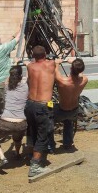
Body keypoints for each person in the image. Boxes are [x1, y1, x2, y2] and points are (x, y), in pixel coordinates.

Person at [0, 64, 28, 170]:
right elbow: (28, 76)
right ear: (20, 76)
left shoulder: (6, 87)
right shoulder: (25, 86)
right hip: (21, 123)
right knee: (17, 138)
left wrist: (13, 67)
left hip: (6, 122)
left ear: (10, 76)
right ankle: (18, 153)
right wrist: (26, 66)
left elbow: (7, 80)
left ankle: (2, 158)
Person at [24, 45, 56, 178]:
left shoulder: (30, 66)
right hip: (43, 107)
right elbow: (55, 61)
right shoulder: (51, 65)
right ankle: (35, 166)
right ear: (46, 54)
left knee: (32, 131)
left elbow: (31, 64)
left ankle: (31, 154)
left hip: (30, 104)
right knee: (43, 134)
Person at [51, 57, 89, 151]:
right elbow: (80, 73)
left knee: (48, 120)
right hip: (74, 110)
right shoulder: (84, 80)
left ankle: (50, 145)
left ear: (71, 69)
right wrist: (75, 63)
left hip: (61, 110)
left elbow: (55, 71)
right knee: (68, 121)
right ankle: (67, 144)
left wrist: (57, 63)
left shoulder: (63, 82)